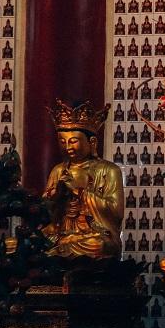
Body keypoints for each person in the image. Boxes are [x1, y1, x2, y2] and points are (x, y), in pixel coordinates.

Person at [42, 100, 123, 259]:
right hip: (61, 231)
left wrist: (79, 190)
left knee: (99, 245)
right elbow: (45, 212)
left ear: (91, 142)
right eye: (62, 141)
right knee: (30, 242)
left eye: (73, 141)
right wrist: (53, 197)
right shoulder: (58, 170)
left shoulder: (109, 170)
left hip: (93, 233)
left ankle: (61, 251)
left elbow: (116, 212)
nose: (67, 147)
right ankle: (60, 248)